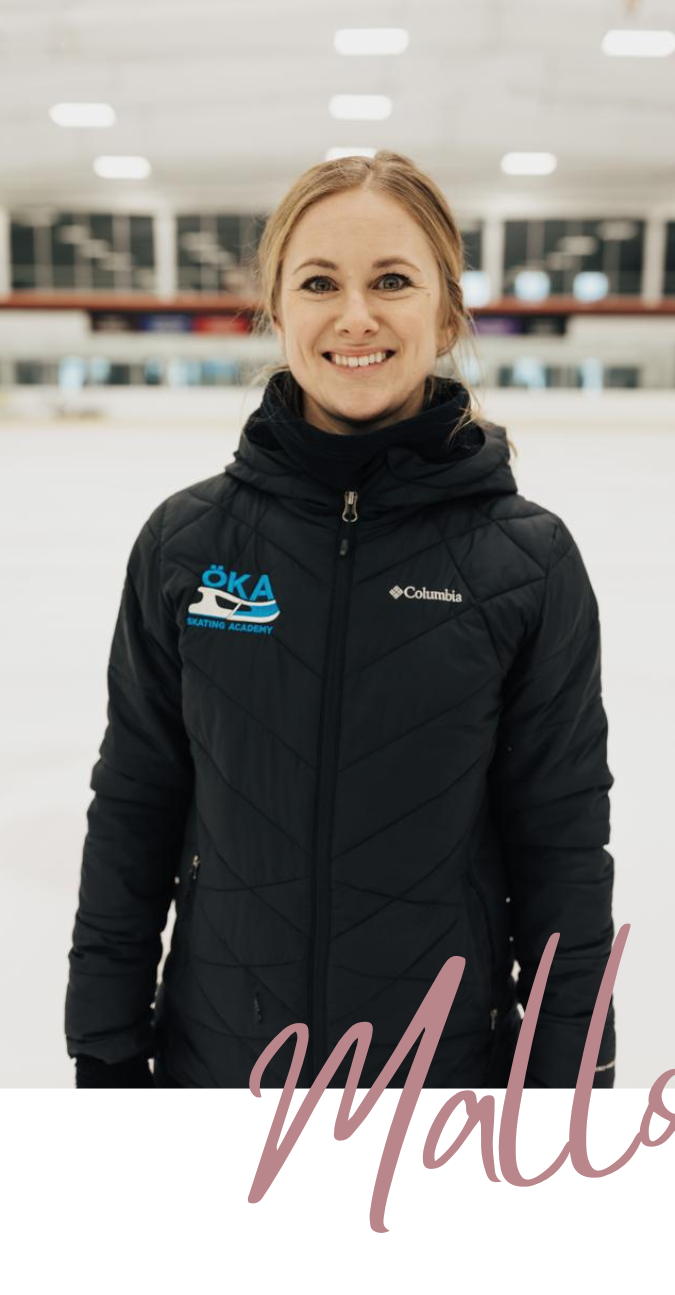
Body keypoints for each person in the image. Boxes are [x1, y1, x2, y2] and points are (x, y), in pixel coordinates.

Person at [65, 150, 616, 1091]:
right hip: (220, 1062)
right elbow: (134, 806)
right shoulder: (186, 544)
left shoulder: (525, 562)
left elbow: (561, 843)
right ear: (277, 309)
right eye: (319, 281)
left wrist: (570, 1071)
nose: (355, 315)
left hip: (439, 1088)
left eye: (392, 281)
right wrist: (104, 1038)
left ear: (445, 312)